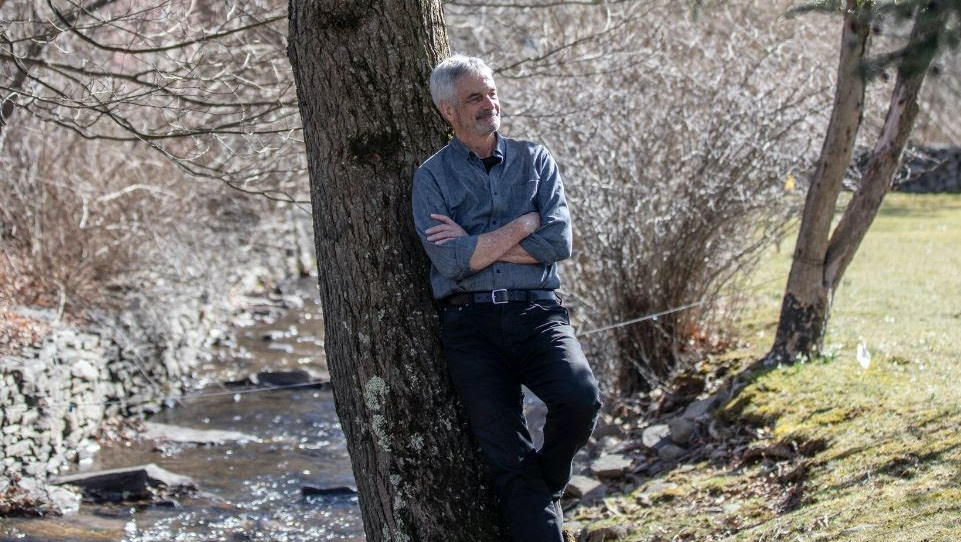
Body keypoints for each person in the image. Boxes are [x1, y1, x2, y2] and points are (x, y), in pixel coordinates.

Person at [411, 55, 601, 542]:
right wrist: (523, 225)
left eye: (491, 92)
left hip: (538, 313)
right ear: (447, 110)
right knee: (508, 459)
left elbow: (559, 244)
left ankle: (549, 482)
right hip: (470, 327)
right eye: (475, 97)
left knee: (580, 398)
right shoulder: (431, 177)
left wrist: (477, 243)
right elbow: (450, 262)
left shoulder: (535, 159)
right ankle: (538, 494)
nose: (489, 104)